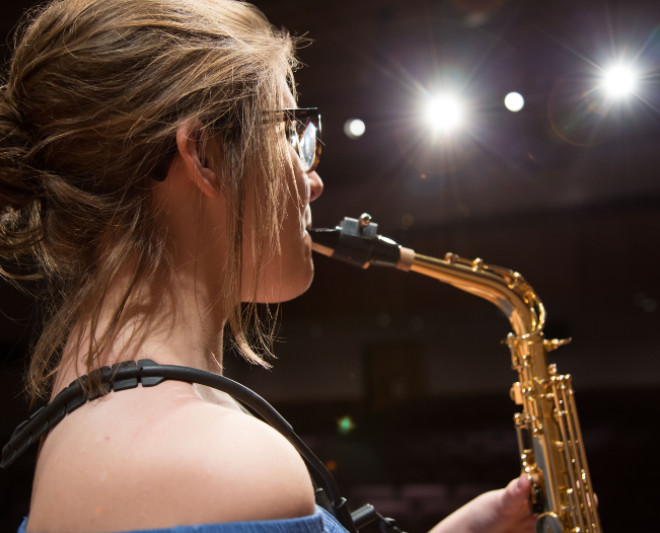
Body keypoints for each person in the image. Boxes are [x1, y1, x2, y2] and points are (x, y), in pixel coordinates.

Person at [0, 0, 536, 531]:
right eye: (288, 134)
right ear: (205, 155)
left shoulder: (86, 413)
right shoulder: (226, 464)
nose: (315, 181)